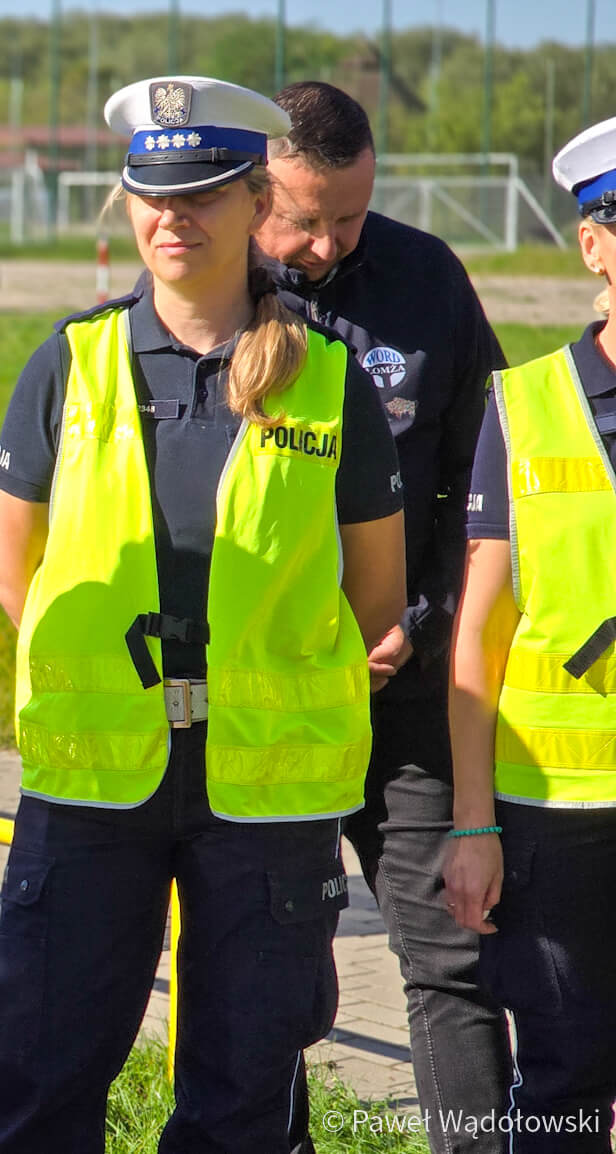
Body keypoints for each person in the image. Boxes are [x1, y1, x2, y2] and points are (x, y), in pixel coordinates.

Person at [0, 76, 407, 1153]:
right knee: (34, 1079)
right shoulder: (67, 363)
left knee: (240, 1100)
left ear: (257, 200)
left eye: (203, 192)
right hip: (93, 781)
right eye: (152, 194)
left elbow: (374, 595)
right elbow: (11, 569)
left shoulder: (329, 380)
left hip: (265, 792)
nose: (174, 217)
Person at [256, 81, 510, 1154]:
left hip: (400, 692)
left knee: (451, 957)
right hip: (262, 703)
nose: (325, 245)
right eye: (302, 219)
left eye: (349, 217)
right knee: (262, 964)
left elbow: (482, 481)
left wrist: (422, 615)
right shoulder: (212, 291)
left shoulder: (425, 278)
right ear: (252, 190)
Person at [442, 117, 616, 1154]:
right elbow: (478, 633)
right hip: (556, 812)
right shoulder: (524, 406)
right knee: (562, 1074)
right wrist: (472, 828)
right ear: (592, 245)